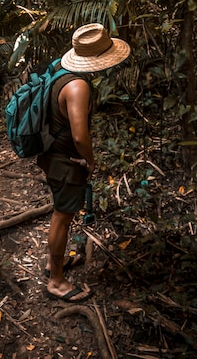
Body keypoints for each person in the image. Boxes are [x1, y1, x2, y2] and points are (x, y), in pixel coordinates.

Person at [37, 23, 131, 303]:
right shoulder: (78, 86)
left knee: (61, 214)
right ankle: (56, 281)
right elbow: (80, 135)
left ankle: (53, 263)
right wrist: (89, 160)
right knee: (62, 216)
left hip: (53, 154)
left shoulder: (62, 73)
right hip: (66, 160)